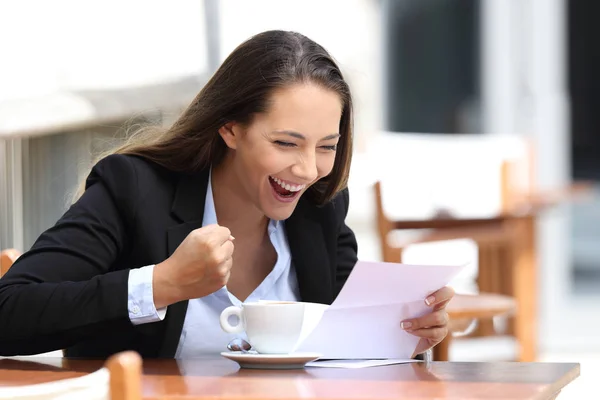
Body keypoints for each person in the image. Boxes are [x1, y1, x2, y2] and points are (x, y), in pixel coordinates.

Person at [0, 30, 453, 358]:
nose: (308, 170)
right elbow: (9, 313)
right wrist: (163, 284)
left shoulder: (320, 208)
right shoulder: (134, 189)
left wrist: (403, 333)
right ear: (230, 128)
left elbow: (339, 344)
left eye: (327, 147)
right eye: (286, 143)